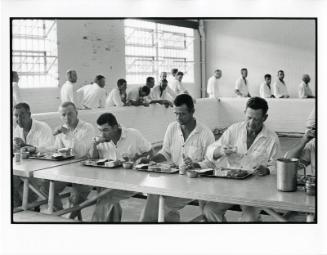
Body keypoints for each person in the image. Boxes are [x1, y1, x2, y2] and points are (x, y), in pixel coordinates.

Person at [138, 94, 215, 222]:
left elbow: (211, 164)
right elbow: (166, 152)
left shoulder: (205, 134)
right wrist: (151, 159)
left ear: (192, 112)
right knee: (153, 193)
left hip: (195, 183)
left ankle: (147, 224)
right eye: (176, 114)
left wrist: (195, 165)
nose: (178, 118)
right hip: (174, 179)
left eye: (182, 114)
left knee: (161, 206)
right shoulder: (172, 127)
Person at [203, 97, 280, 222]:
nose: (251, 123)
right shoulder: (234, 130)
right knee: (210, 209)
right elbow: (210, 151)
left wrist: (266, 170)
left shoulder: (272, 138)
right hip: (231, 184)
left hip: (256, 188)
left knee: (250, 218)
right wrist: (221, 151)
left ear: (265, 118)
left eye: (256, 119)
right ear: (244, 112)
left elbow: (276, 166)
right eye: (249, 117)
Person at [91, 113, 152, 222]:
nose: (102, 134)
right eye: (100, 130)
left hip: (132, 180)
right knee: (105, 194)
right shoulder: (101, 141)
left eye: (105, 130)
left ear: (115, 127)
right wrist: (94, 145)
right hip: (109, 182)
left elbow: (150, 152)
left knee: (105, 197)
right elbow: (93, 159)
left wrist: (138, 159)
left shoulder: (133, 134)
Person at [51, 101, 96, 219]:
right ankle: (58, 216)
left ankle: (67, 220)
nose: (67, 117)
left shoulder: (87, 128)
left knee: (75, 200)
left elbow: (82, 152)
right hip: (66, 170)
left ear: (77, 113)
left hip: (85, 172)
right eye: (63, 115)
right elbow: (57, 150)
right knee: (45, 187)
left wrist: (69, 134)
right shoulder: (62, 130)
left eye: (70, 114)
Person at [12, 102, 54, 208]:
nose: (18, 118)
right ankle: (16, 212)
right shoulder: (17, 129)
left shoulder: (43, 128)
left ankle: (28, 211)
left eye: (22, 114)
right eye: (16, 115)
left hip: (40, 170)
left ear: (29, 114)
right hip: (23, 169)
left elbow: (51, 150)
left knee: (26, 194)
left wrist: (29, 146)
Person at [285, 108, 316, 175]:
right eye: (310, 129)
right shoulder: (313, 145)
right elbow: (288, 162)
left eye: (314, 128)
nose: (310, 131)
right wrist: (304, 141)